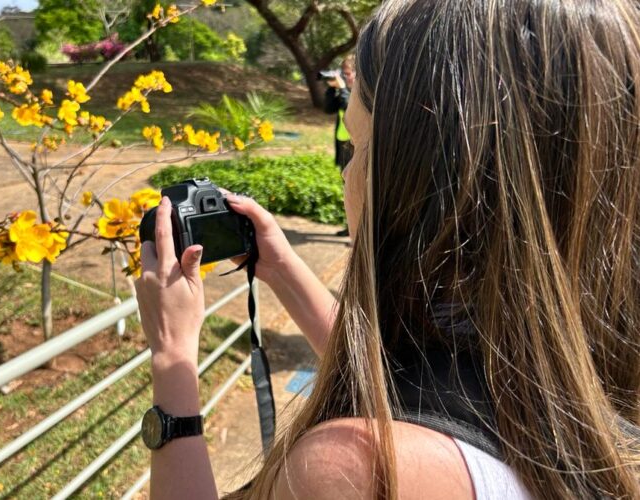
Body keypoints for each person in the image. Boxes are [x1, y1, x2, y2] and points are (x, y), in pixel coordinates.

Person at [136, 0, 640, 498]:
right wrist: (283, 268)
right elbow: (406, 374)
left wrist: (173, 359)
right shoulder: (583, 376)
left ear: (430, 179)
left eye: (357, 146)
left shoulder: (356, 472)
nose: (345, 173)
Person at [324, 55, 356, 237]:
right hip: (343, 145)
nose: (344, 78)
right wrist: (331, 90)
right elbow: (328, 109)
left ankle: (358, 226)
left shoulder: (361, 93)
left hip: (355, 146)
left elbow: (350, 108)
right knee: (346, 187)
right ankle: (350, 225)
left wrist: (343, 90)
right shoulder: (344, 91)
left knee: (356, 186)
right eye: (342, 74)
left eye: (347, 73)